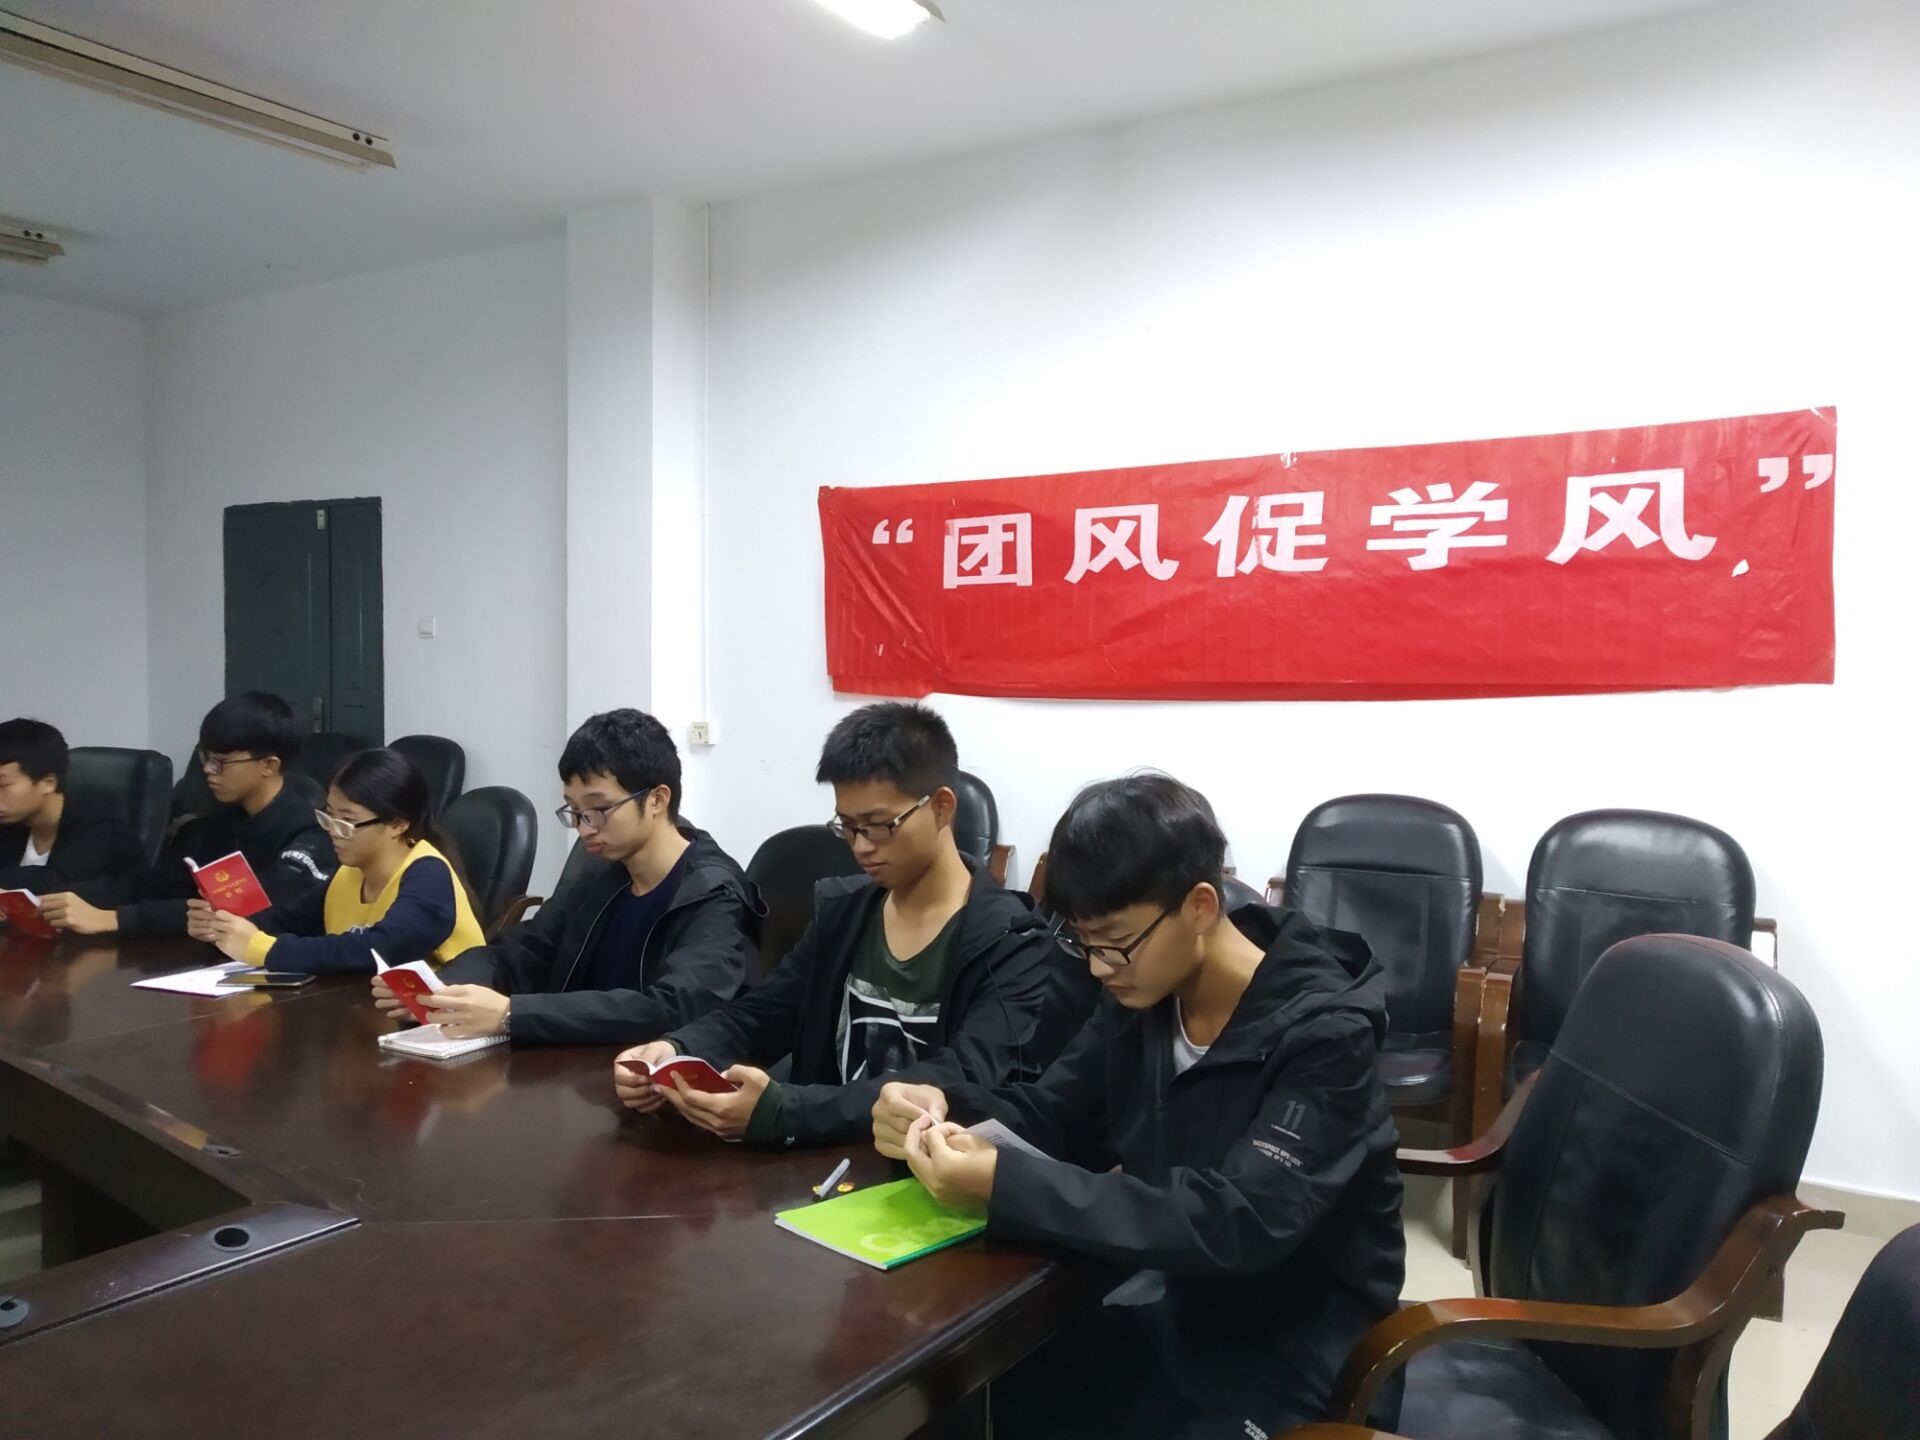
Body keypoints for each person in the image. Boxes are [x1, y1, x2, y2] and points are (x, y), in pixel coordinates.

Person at [871, 773, 1405, 1439]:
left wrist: (1004, 1182)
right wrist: (940, 1111)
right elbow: (1057, 1115)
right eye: (1085, 943)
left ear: (1200, 906)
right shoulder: (1144, 991)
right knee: (965, 1399)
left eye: (1115, 943)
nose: (1100, 967)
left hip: (1296, 1352)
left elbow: (1237, 1221)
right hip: (1182, 1309)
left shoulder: (1326, 1036)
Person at [613, 702, 1093, 1147]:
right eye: (848, 826)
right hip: (816, 1166)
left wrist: (785, 1112)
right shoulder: (844, 912)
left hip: (923, 1168)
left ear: (942, 807)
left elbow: (966, 1076)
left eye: (880, 825)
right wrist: (677, 1049)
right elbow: (764, 1014)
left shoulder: (1012, 941)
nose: (861, 846)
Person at [377, 709, 759, 1044]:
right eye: (574, 811)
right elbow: (522, 951)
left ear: (657, 799)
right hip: (577, 1062)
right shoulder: (604, 871)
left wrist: (512, 1015)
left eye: (599, 809)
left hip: (654, 1076)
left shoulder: (713, 892)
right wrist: (442, 988)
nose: (584, 828)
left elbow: (675, 1006)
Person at [39, 693, 335, 936]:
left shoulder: (311, 834)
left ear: (268, 765)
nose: (208, 770)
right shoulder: (217, 825)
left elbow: (242, 906)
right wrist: (62, 898)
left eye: (221, 762)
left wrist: (113, 919)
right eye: (206, 757)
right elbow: (155, 885)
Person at [198, 747, 485, 973]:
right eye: (329, 816)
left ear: (398, 824)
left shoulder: (428, 875)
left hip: (440, 1020)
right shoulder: (350, 872)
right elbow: (290, 919)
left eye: (346, 822)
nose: (333, 832)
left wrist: (265, 950)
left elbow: (379, 948)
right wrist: (225, 925)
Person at [0, 719, 144, 894]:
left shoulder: (104, 826)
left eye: (3, 785)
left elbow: (54, 883)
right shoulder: (11, 822)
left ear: (48, 783)